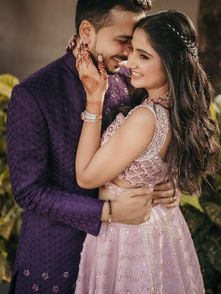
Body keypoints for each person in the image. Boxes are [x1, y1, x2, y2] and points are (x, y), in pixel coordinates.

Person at [6, 1, 179, 293]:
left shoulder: (131, 82)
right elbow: (29, 191)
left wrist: (166, 182)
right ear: (87, 31)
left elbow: (152, 142)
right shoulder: (34, 95)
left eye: (136, 43)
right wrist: (107, 211)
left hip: (118, 261)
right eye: (123, 41)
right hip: (57, 259)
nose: (129, 54)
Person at [73, 10, 220, 293]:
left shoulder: (145, 117)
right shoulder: (177, 113)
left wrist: (94, 101)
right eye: (132, 53)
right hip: (159, 229)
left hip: (128, 237)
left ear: (170, 63)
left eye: (143, 56)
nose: (130, 64)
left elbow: (86, 177)